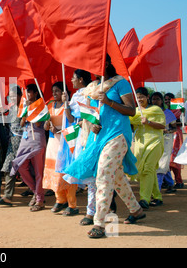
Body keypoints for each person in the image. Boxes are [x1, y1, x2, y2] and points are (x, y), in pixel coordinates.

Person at [64, 55, 145, 239]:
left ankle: (99, 223)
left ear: (106, 63)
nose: (92, 68)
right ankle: (136, 210)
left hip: (117, 135)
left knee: (103, 173)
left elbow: (131, 110)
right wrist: (91, 123)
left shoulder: (120, 83)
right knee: (116, 177)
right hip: (98, 137)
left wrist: (109, 101)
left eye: (96, 63)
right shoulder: (92, 88)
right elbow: (92, 113)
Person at [43, 81, 79, 216]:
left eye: (57, 91)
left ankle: (72, 204)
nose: (54, 93)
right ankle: (60, 200)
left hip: (66, 143)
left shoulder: (70, 106)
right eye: (53, 91)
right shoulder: (50, 106)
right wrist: (47, 125)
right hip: (52, 143)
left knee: (66, 173)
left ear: (65, 93)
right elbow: (45, 126)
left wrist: (66, 104)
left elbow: (73, 122)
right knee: (54, 172)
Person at [10, 84, 47, 211]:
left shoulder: (41, 105)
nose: (27, 95)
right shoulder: (24, 105)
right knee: (20, 165)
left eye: (29, 92)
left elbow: (37, 122)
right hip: (25, 140)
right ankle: (36, 192)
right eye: (26, 92)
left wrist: (31, 109)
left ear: (35, 93)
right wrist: (25, 111)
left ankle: (39, 200)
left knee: (38, 172)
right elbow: (21, 122)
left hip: (37, 140)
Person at [0, 85, 25, 207]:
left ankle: (38, 195)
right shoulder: (11, 108)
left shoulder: (25, 107)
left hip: (25, 142)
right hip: (12, 142)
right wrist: (1, 114)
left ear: (20, 96)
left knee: (28, 170)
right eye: (10, 96)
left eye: (15, 95)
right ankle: (8, 196)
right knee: (8, 167)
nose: (12, 98)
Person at [130, 87, 166, 209]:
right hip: (140, 144)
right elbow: (130, 125)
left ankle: (144, 199)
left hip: (155, 142)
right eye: (137, 97)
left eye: (142, 96)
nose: (139, 99)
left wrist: (148, 122)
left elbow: (162, 125)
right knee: (148, 170)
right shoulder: (134, 112)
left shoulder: (156, 110)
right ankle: (157, 196)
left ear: (147, 98)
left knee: (148, 169)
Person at [152, 92, 178, 193]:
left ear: (161, 101)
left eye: (158, 99)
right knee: (159, 162)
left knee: (162, 163)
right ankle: (170, 184)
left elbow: (174, 127)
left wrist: (167, 131)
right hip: (153, 139)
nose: (155, 101)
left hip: (166, 139)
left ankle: (156, 192)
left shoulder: (168, 113)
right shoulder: (149, 112)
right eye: (153, 99)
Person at [164, 93, 185, 189]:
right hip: (166, 136)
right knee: (166, 159)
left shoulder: (180, 111)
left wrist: (182, 115)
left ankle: (178, 180)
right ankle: (167, 181)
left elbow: (183, 123)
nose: (167, 101)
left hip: (175, 136)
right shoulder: (164, 111)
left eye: (169, 99)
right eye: (165, 99)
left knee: (174, 158)